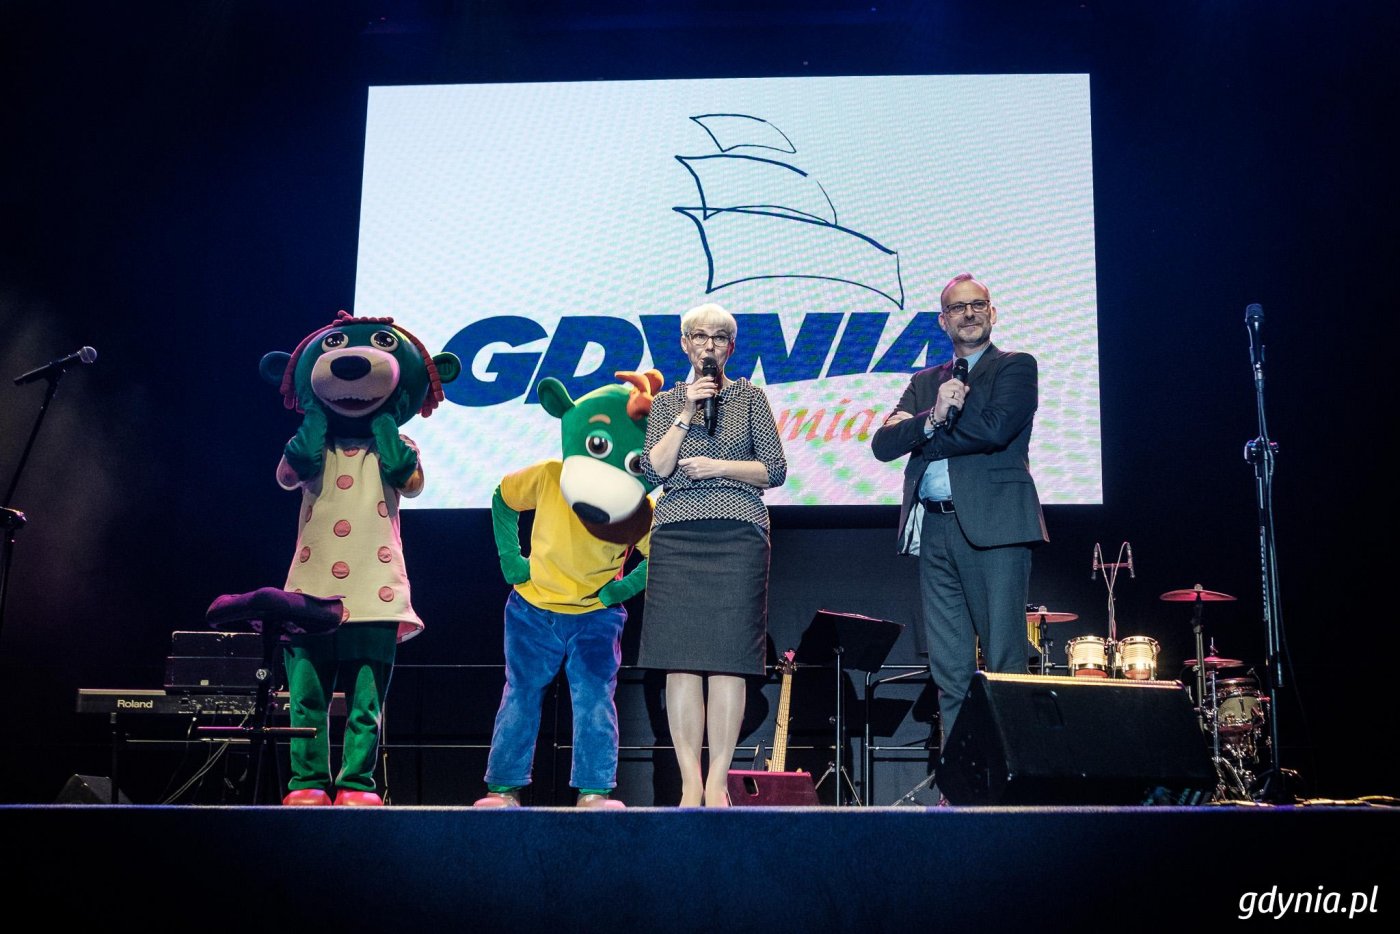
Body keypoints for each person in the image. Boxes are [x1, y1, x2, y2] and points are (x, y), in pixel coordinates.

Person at [871, 273, 1048, 758]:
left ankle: (1012, 774)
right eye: (957, 308)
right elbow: (883, 445)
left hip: (996, 529)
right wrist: (930, 417)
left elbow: (994, 429)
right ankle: (960, 778)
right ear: (942, 321)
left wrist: (923, 432)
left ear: (992, 313)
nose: (969, 314)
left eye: (978, 305)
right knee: (948, 668)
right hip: (934, 529)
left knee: (1005, 660)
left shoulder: (1015, 367)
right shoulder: (925, 381)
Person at [473, 371, 661, 810]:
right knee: (520, 694)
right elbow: (503, 497)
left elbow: (659, 556)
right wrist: (512, 560)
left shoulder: (639, 506)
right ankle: (503, 788)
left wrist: (619, 592)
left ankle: (595, 790)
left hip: (594, 617)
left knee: (595, 700)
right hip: (533, 609)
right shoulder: (551, 475)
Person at [639, 302, 788, 807]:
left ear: (731, 347)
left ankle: (718, 782)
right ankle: (689, 784)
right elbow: (654, 471)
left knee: (729, 660)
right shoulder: (666, 402)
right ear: (685, 345)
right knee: (679, 661)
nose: (709, 346)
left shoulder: (750, 397)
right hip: (677, 537)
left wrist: (718, 466)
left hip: (738, 536)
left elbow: (774, 469)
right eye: (700, 337)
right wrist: (686, 413)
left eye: (719, 338)